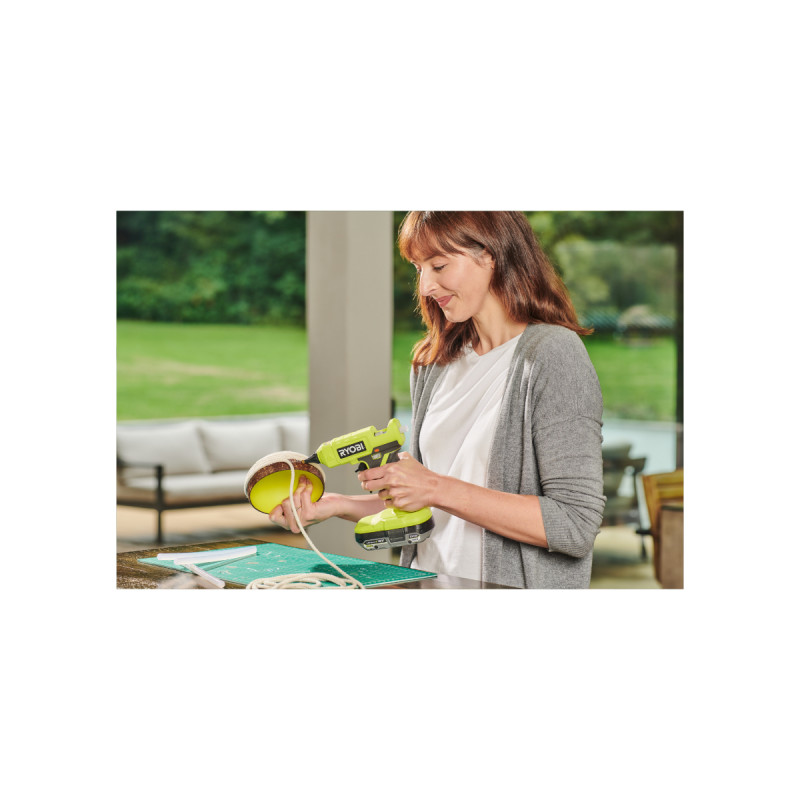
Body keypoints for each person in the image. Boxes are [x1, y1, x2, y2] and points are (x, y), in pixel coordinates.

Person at [270, 211, 606, 589]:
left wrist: (434, 487)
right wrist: (338, 505)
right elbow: (428, 500)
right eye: (418, 269)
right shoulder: (434, 363)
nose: (426, 286)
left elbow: (575, 524)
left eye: (439, 266)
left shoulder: (553, 355)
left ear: (490, 255)